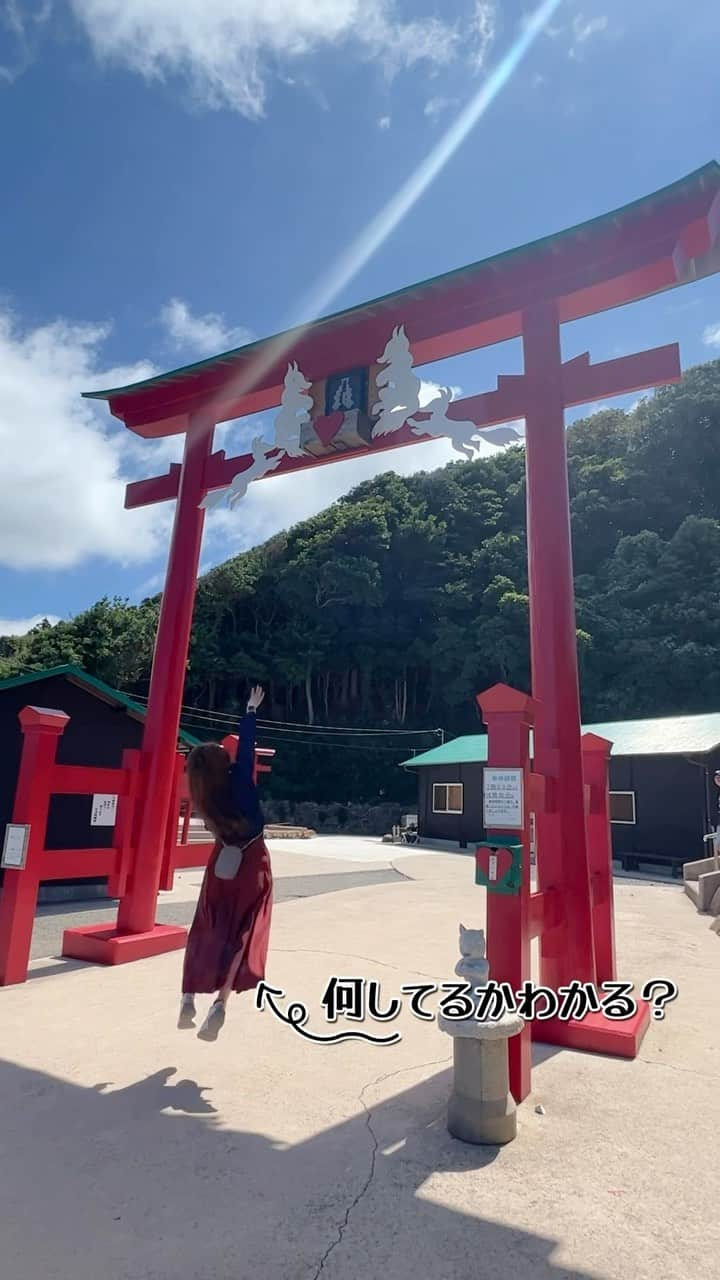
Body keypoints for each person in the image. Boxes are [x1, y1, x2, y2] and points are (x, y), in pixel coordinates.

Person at [178, 684, 273, 1041]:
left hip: (221, 859)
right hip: (252, 859)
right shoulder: (240, 783)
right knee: (244, 931)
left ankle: (187, 997)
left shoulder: (205, 794)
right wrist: (249, 711)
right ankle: (220, 1004)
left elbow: (237, 753)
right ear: (224, 763)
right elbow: (246, 749)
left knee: (207, 925)